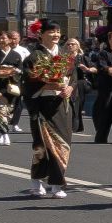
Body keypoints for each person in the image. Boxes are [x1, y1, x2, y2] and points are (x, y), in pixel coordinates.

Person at [21, 22, 76, 198]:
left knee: (62, 144)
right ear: (41, 34)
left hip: (62, 105)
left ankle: (56, 184)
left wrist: (71, 88)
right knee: (42, 145)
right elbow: (27, 83)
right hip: (42, 106)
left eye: (58, 31)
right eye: (51, 31)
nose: (56, 34)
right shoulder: (34, 56)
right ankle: (36, 182)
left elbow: (74, 77)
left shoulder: (65, 54)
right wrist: (47, 84)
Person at [64, 37, 90, 133]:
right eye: (68, 44)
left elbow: (94, 68)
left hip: (79, 83)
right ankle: (73, 126)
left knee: (76, 105)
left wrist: (86, 69)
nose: (70, 46)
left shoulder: (82, 57)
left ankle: (75, 126)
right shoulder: (63, 57)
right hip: (67, 83)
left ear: (77, 46)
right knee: (68, 104)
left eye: (72, 44)